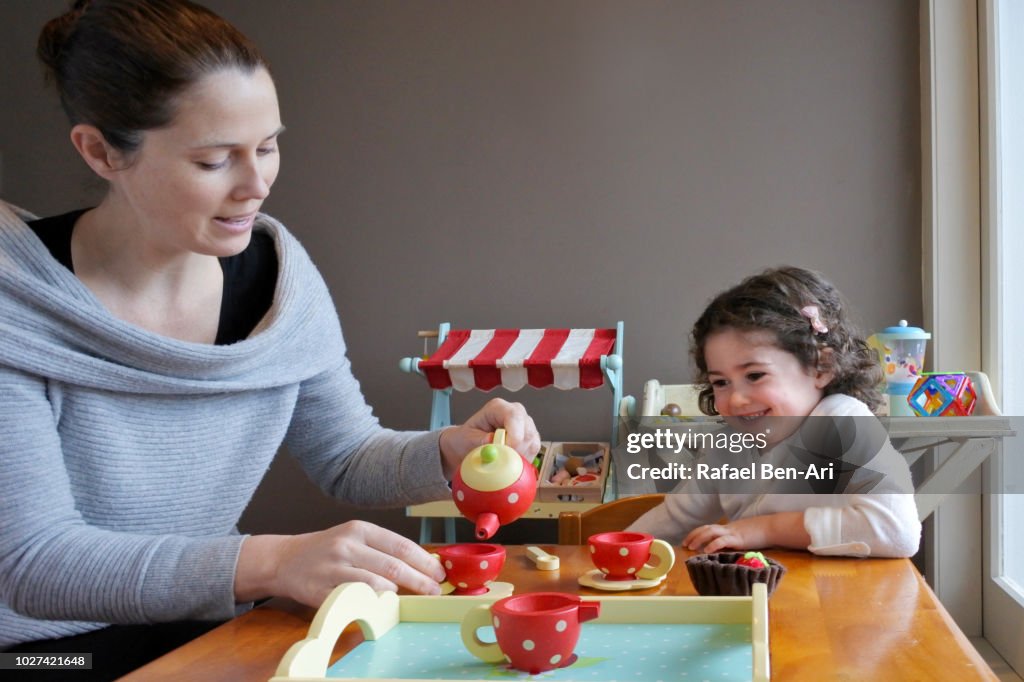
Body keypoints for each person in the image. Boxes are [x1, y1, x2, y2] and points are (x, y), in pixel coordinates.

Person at [0, 0, 540, 673]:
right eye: (214, 160)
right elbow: (33, 564)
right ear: (102, 151)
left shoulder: (279, 278)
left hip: (204, 627)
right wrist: (274, 561)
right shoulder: (16, 302)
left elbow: (345, 456)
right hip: (39, 655)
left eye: (267, 145)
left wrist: (447, 452)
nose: (255, 185)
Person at [628, 266, 921, 558]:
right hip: (762, 592)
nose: (737, 399)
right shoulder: (729, 445)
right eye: (721, 382)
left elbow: (898, 531)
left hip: (839, 596)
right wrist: (615, 548)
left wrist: (764, 530)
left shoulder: (844, 422)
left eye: (755, 375)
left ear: (821, 367)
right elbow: (676, 516)